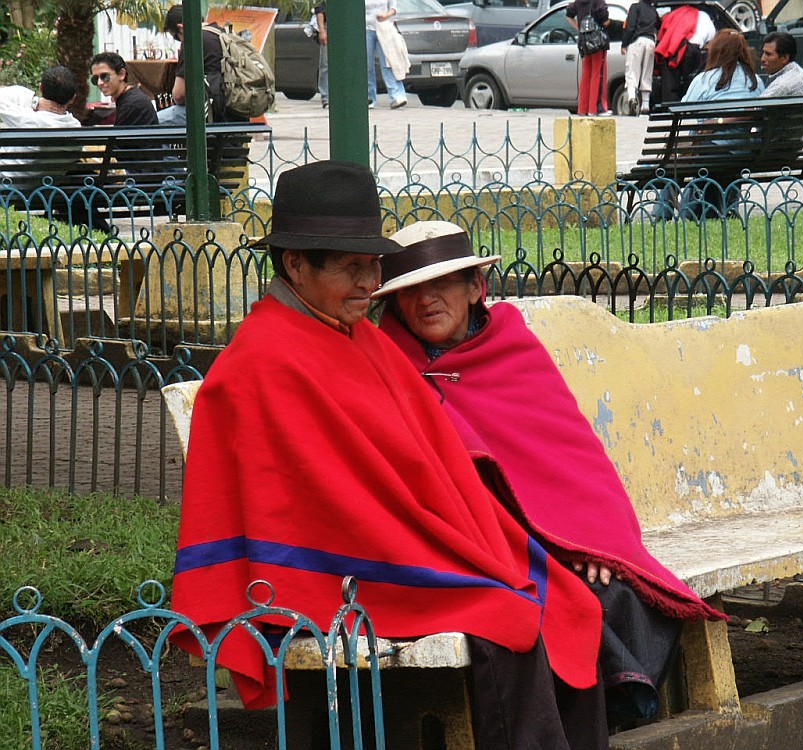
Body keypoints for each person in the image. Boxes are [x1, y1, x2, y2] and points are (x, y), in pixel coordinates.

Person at [169, 161, 608, 750]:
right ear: (295, 264)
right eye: (352, 268)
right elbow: (319, 503)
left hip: (388, 546)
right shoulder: (260, 363)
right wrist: (431, 553)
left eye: (374, 265)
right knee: (504, 619)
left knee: (567, 599)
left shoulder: (355, 334)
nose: (369, 284)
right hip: (332, 572)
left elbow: (428, 458)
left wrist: (461, 537)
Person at [374, 220, 723, 730]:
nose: (426, 300)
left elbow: (571, 453)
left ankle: (613, 713)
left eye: (441, 284)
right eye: (410, 290)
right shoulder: (384, 362)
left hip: (546, 539)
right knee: (545, 606)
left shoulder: (513, 349)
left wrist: (594, 540)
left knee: (607, 593)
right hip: (469, 545)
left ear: (476, 288)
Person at [671, 29, 764, 220]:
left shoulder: (706, 79)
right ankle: (724, 208)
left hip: (711, 153)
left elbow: (682, 109)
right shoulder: (755, 81)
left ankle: (662, 214)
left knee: (669, 159)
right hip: (742, 154)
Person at [0, 65, 80, 189]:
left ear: (41, 87)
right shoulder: (75, 127)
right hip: (46, 189)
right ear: (73, 99)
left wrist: (35, 102)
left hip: (9, 186)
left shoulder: (29, 120)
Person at [156, 4, 234, 124]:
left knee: (154, 122)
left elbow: (179, 95)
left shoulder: (193, 40)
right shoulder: (222, 33)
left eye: (176, 37)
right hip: (231, 111)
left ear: (181, 28)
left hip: (210, 114)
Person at [655, 4, 715, 103]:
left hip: (674, 48)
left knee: (670, 83)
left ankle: (670, 108)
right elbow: (709, 43)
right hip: (694, 50)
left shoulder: (680, 13)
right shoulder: (709, 24)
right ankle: (689, 105)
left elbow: (664, 29)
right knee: (690, 81)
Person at [567, 0, 611, 116]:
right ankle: (596, 109)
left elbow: (568, 14)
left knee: (586, 74)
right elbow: (605, 21)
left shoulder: (578, 2)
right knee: (598, 74)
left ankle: (583, 109)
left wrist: (579, 28)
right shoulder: (598, 2)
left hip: (583, 42)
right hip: (597, 42)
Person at [89, 52, 158, 126]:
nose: (100, 83)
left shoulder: (132, 104)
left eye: (105, 76)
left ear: (121, 74)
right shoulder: (129, 98)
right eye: (95, 79)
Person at [366, 0, 408, 109]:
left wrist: (385, 16)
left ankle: (396, 96)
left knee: (388, 62)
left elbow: (393, 8)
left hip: (384, 28)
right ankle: (370, 98)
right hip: (366, 28)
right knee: (367, 65)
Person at [620, 0, 658, 116]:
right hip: (651, 42)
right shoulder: (653, 11)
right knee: (647, 73)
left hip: (637, 41)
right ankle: (645, 106)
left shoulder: (635, 7)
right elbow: (659, 25)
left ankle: (632, 98)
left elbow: (630, 27)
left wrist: (624, 44)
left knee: (632, 71)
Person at [760, 31, 803, 98]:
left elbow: (756, 107)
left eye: (768, 54)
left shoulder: (782, 85)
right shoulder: (796, 70)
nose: (762, 59)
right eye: (763, 53)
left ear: (784, 58)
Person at [312, 4, 329, 108]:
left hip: (346, 26)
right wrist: (322, 31)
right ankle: (326, 97)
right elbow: (320, 9)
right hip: (328, 26)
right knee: (325, 63)